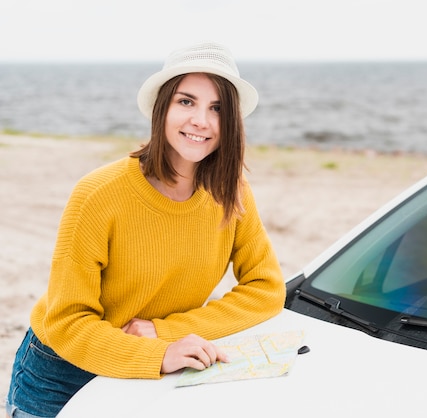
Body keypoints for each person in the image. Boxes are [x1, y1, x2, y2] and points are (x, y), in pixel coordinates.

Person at [5, 41, 286, 417]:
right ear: (162, 107)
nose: (201, 120)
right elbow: (67, 323)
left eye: (217, 108)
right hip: (63, 377)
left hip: (157, 369)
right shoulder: (98, 194)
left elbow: (266, 289)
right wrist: (159, 352)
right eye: (186, 101)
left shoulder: (231, 193)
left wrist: (164, 333)